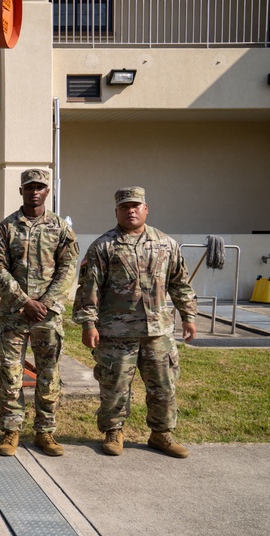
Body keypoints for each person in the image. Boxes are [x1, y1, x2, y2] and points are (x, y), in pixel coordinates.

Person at [73, 186, 197, 458]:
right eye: (125, 206)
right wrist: (88, 324)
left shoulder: (166, 244)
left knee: (163, 386)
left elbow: (179, 284)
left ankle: (161, 434)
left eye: (135, 206)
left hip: (158, 332)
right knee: (115, 386)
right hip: (116, 333)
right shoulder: (103, 246)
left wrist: (188, 316)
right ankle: (114, 432)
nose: (130, 210)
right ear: (116, 211)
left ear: (145, 209)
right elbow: (88, 289)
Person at [0, 168, 78, 457]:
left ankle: (45, 432)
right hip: (15, 314)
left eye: (40, 187)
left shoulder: (61, 229)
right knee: (11, 373)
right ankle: (11, 431)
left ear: (47, 192)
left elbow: (67, 269)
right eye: (29, 187)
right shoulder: (6, 228)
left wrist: (47, 302)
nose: (34, 191)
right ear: (21, 191)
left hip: (48, 316)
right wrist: (24, 301)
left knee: (48, 374)